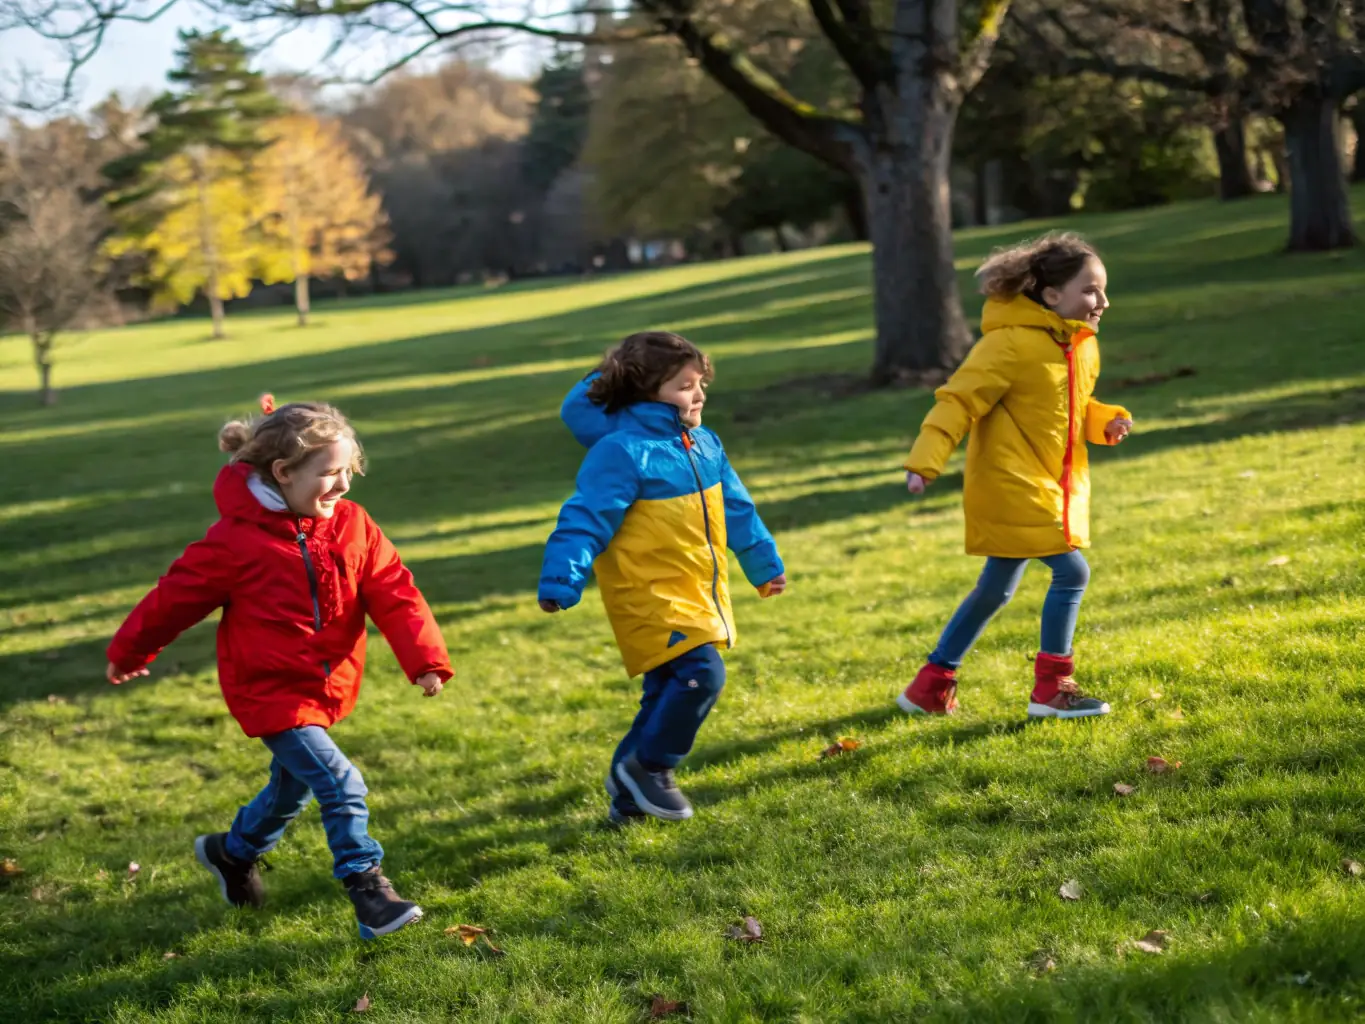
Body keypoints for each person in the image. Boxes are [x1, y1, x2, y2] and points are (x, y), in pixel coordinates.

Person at [105, 395, 452, 939]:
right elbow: (171, 601)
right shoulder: (234, 543)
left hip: (326, 684)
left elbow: (394, 591)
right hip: (269, 691)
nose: (342, 487)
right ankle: (369, 890)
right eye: (330, 473)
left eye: (348, 472)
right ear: (283, 473)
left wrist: (425, 659)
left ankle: (232, 852)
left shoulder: (353, 524)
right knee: (342, 783)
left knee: (291, 790)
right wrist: (128, 653)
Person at [539, 332, 786, 824]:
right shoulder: (622, 452)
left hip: (696, 591)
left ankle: (628, 803)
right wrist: (562, 580)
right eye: (682, 386)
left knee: (664, 693)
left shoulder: (705, 444)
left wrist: (764, 563)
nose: (697, 395)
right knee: (703, 676)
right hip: (647, 596)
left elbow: (737, 508)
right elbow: (585, 518)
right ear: (643, 391)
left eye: (699, 384)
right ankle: (651, 768)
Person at [899, 232, 1133, 720]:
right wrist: (925, 462)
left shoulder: (1080, 347)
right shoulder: (1006, 345)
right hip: (1012, 483)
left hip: (1049, 482)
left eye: (1103, 290)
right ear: (1051, 296)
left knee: (995, 588)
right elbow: (958, 400)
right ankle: (1051, 689)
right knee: (1072, 572)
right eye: (1090, 290)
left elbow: (1065, 408)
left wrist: (1103, 421)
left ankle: (930, 685)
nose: (1103, 301)